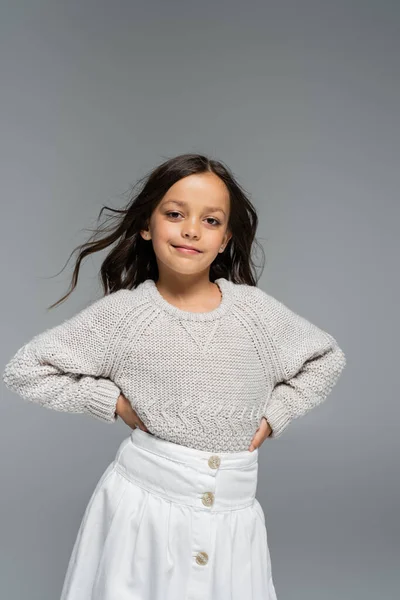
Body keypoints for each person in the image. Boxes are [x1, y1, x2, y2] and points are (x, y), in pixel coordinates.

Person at [2, 153, 346, 599]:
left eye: (211, 220)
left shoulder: (256, 314)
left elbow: (326, 357)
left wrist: (278, 412)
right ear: (147, 225)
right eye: (175, 214)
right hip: (142, 513)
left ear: (225, 239)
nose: (190, 230)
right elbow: (25, 369)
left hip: (233, 517)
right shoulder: (125, 316)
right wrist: (113, 403)